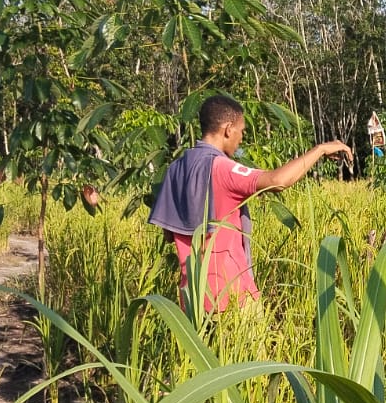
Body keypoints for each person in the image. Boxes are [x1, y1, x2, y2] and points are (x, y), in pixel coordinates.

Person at [148, 95, 352, 311]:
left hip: (192, 300)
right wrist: (319, 150)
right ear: (228, 129)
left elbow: (169, 234)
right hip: (232, 297)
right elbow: (278, 181)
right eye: (241, 131)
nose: (241, 138)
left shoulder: (175, 169)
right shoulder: (221, 167)